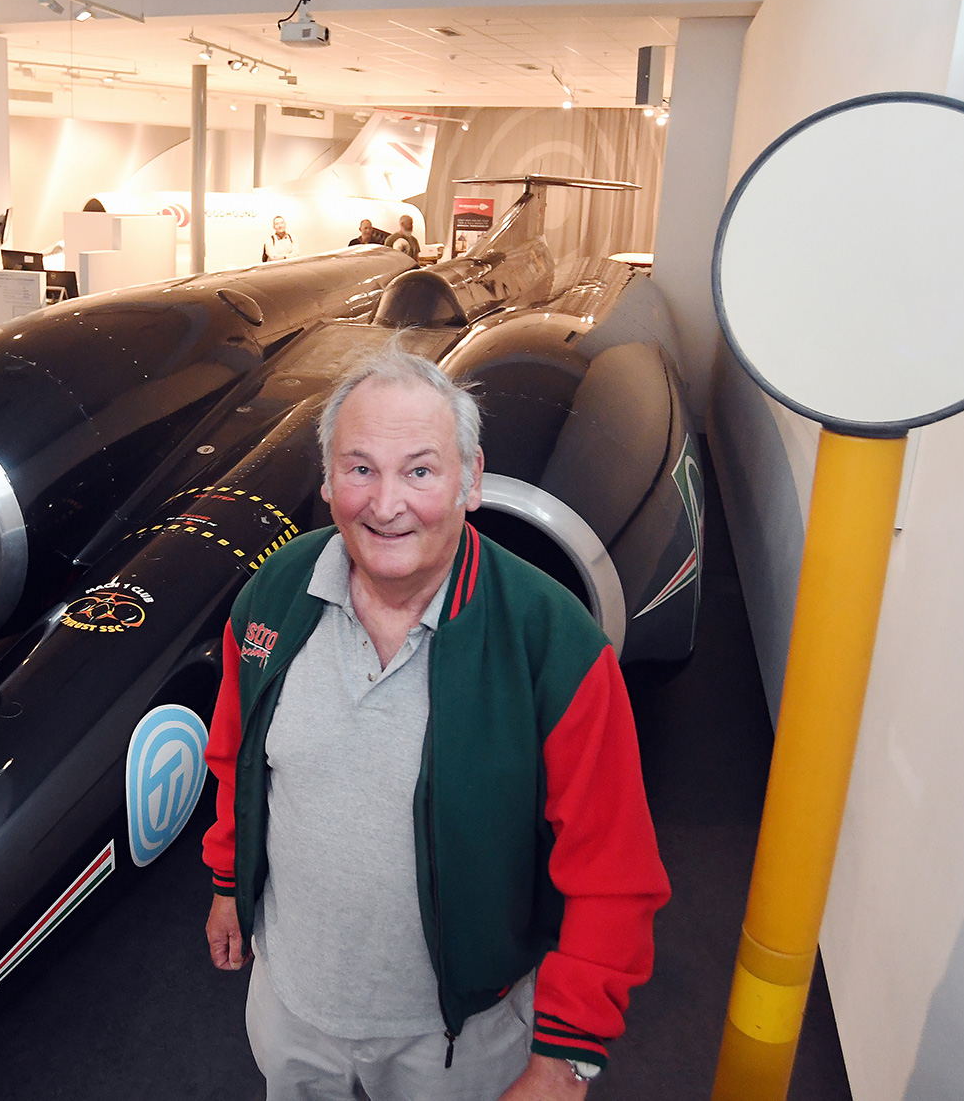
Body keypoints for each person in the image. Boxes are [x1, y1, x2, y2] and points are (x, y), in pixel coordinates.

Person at [203, 343, 670, 1101]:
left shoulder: (551, 643)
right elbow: (236, 759)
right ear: (327, 481)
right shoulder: (273, 596)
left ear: (471, 480)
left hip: (459, 1041)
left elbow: (613, 874)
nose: (385, 505)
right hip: (290, 1008)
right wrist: (229, 884)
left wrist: (562, 1062)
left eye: (419, 470)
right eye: (360, 468)